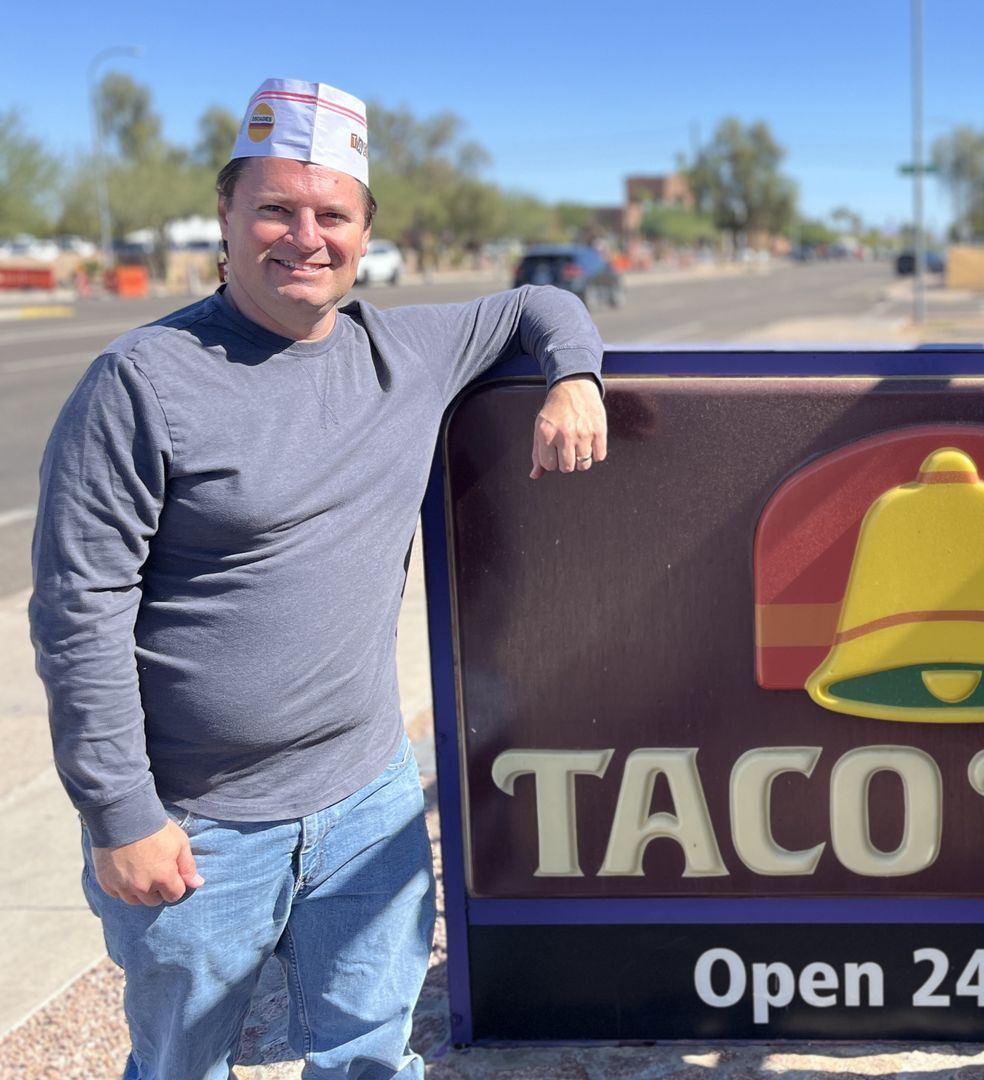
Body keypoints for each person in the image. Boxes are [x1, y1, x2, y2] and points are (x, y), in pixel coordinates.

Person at [30, 79, 608, 1080]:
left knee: (371, 1051)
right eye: (275, 209)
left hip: (366, 797)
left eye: (331, 214)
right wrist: (121, 815)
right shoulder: (142, 382)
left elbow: (542, 302)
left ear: (364, 228)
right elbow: (79, 614)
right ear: (226, 214)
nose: (304, 236)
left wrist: (574, 376)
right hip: (198, 820)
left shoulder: (405, 351)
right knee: (181, 1064)